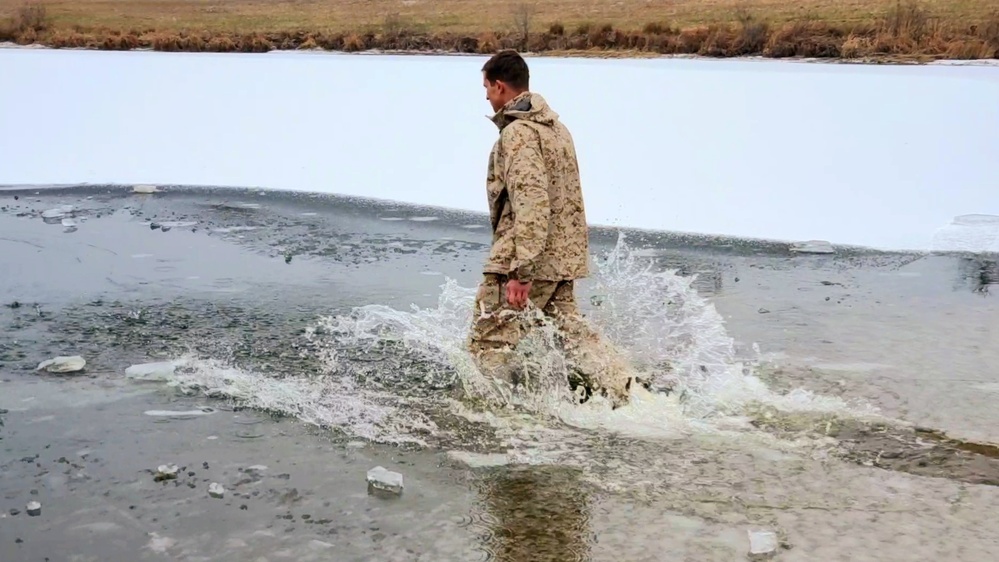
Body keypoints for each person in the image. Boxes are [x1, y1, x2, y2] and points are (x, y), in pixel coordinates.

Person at [466, 49, 636, 408]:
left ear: (500, 86)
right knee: (570, 331)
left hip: (528, 256)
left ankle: (490, 410)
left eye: (486, 87)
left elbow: (532, 201)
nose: (485, 96)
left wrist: (521, 269)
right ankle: (624, 390)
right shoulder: (557, 129)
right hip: (561, 256)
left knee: (489, 336)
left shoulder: (520, 134)